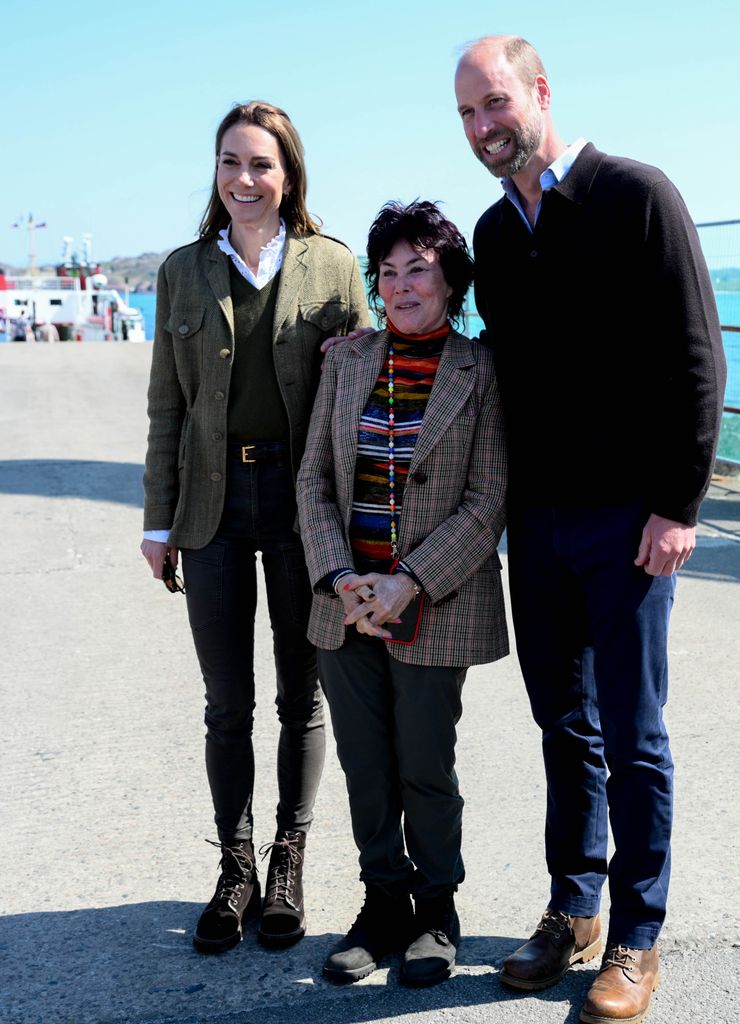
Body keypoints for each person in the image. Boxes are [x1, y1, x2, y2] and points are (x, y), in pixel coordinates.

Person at [453, 35, 726, 1024]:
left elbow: (699, 357)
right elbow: (495, 362)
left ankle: (638, 932)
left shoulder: (637, 196)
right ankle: (574, 906)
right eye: (469, 115)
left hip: (631, 522)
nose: (485, 127)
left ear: (538, 92)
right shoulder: (491, 233)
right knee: (560, 725)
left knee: (632, 731)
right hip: (538, 523)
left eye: (495, 104)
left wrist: (680, 504)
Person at [141, 100, 370, 954]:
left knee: (299, 697)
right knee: (225, 705)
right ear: (216, 172)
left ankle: (289, 863)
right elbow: (168, 402)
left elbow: (355, 407)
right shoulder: (182, 271)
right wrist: (157, 520)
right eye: (231, 162)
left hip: (306, 513)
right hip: (210, 513)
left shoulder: (335, 268)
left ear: (288, 174)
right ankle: (234, 867)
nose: (245, 178)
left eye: (261, 164)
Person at [297, 201, 508, 987]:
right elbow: (313, 479)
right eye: (387, 272)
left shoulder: (480, 369)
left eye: (418, 267)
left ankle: (436, 910)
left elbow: (487, 499)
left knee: (425, 763)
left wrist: (407, 580)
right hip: (343, 603)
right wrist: (343, 578)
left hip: (433, 604)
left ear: (450, 278)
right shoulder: (346, 361)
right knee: (366, 765)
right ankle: (381, 903)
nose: (401, 284)